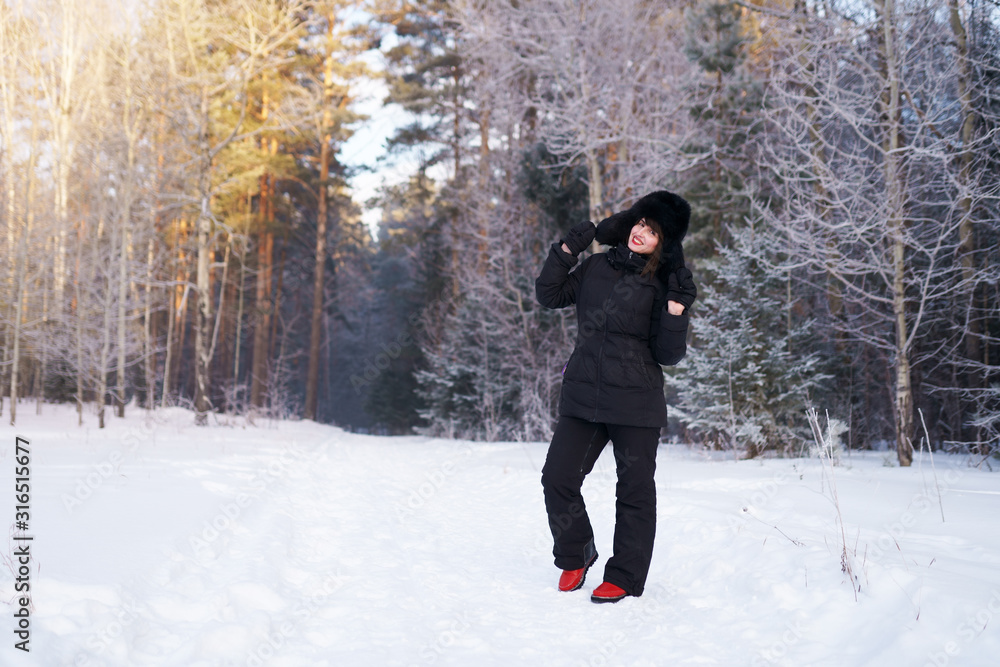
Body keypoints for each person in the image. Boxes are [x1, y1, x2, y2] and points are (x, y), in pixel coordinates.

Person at [534, 190, 697, 604]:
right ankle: (577, 552)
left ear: (665, 244)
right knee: (558, 477)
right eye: (641, 222)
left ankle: (624, 576)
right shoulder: (594, 267)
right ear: (630, 223)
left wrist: (677, 311)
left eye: (654, 231)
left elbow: (668, 355)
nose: (642, 232)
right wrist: (568, 249)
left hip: (636, 403)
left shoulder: (664, 283)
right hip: (584, 395)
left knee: (635, 492)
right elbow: (549, 295)